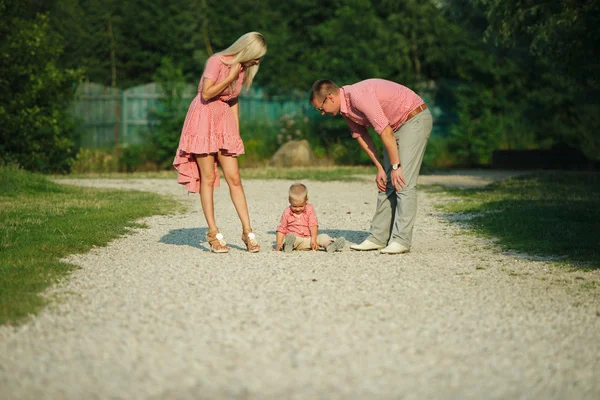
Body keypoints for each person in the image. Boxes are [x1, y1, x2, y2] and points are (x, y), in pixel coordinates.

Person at [310, 79, 432, 254]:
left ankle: (402, 240)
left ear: (329, 97)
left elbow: (385, 131)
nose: (322, 113)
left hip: (413, 118)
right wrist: (380, 168)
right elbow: (361, 136)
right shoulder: (345, 109)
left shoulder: (358, 97)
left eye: (321, 108)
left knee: (402, 181)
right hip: (394, 126)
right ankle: (378, 238)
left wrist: (396, 166)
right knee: (386, 182)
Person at [173, 32, 266, 253]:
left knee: (235, 178)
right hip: (204, 117)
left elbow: (232, 99)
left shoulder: (242, 70)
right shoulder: (216, 62)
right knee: (208, 177)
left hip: (223, 120)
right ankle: (213, 233)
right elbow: (206, 93)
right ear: (247, 50)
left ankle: (247, 231)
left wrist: (236, 132)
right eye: (256, 56)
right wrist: (230, 76)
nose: (257, 61)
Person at [274, 183, 346, 253]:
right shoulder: (287, 212)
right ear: (289, 200)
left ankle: (330, 246)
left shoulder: (309, 209)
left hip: (309, 240)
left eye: (301, 206)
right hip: (296, 240)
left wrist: (313, 239)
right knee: (290, 238)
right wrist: (278, 243)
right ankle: (288, 246)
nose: (298, 209)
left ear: (306, 200)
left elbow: (313, 225)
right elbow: (281, 228)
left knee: (323, 237)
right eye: (295, 206)